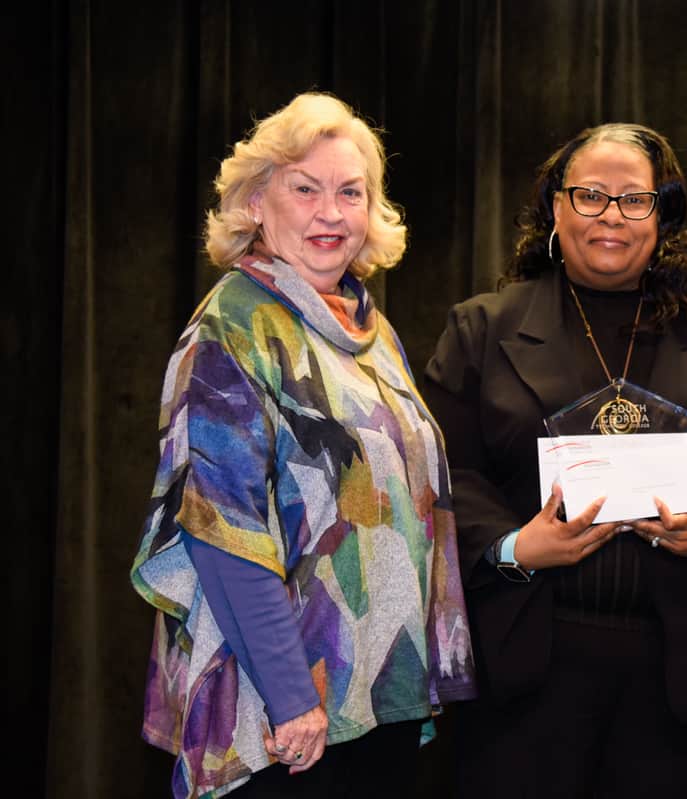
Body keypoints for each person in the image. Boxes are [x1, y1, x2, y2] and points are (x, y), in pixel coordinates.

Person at [423, 123, 687, 798]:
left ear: (663, 215)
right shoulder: (481, 328)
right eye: (590, 195)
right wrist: (514, 545)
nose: (611, 216)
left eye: (634, 199)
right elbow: (443, 467)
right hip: (521, 666)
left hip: (678, 670)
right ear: (556, 207)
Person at [130, 92, 476, 799]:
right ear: (256, 202)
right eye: (306, 188)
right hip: (284, 717)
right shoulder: (233, 326)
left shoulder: (369, 331)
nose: (331, 212)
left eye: (351, 192)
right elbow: (220, 529)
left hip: (375, 699)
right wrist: (292, 698)